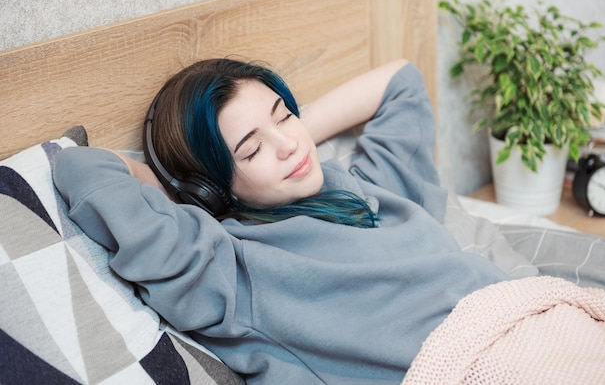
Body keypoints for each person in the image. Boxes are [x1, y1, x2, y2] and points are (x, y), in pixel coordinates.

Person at [53, 58, 508, 384]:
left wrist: (285, 131)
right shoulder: (226, 265)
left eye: (286, 114)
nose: (289, 145)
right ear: (209, 187)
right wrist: (174, 188)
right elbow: (80, 168)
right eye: (249, 150)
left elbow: (400, 80)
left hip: (523, 316)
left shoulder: (361, 187)